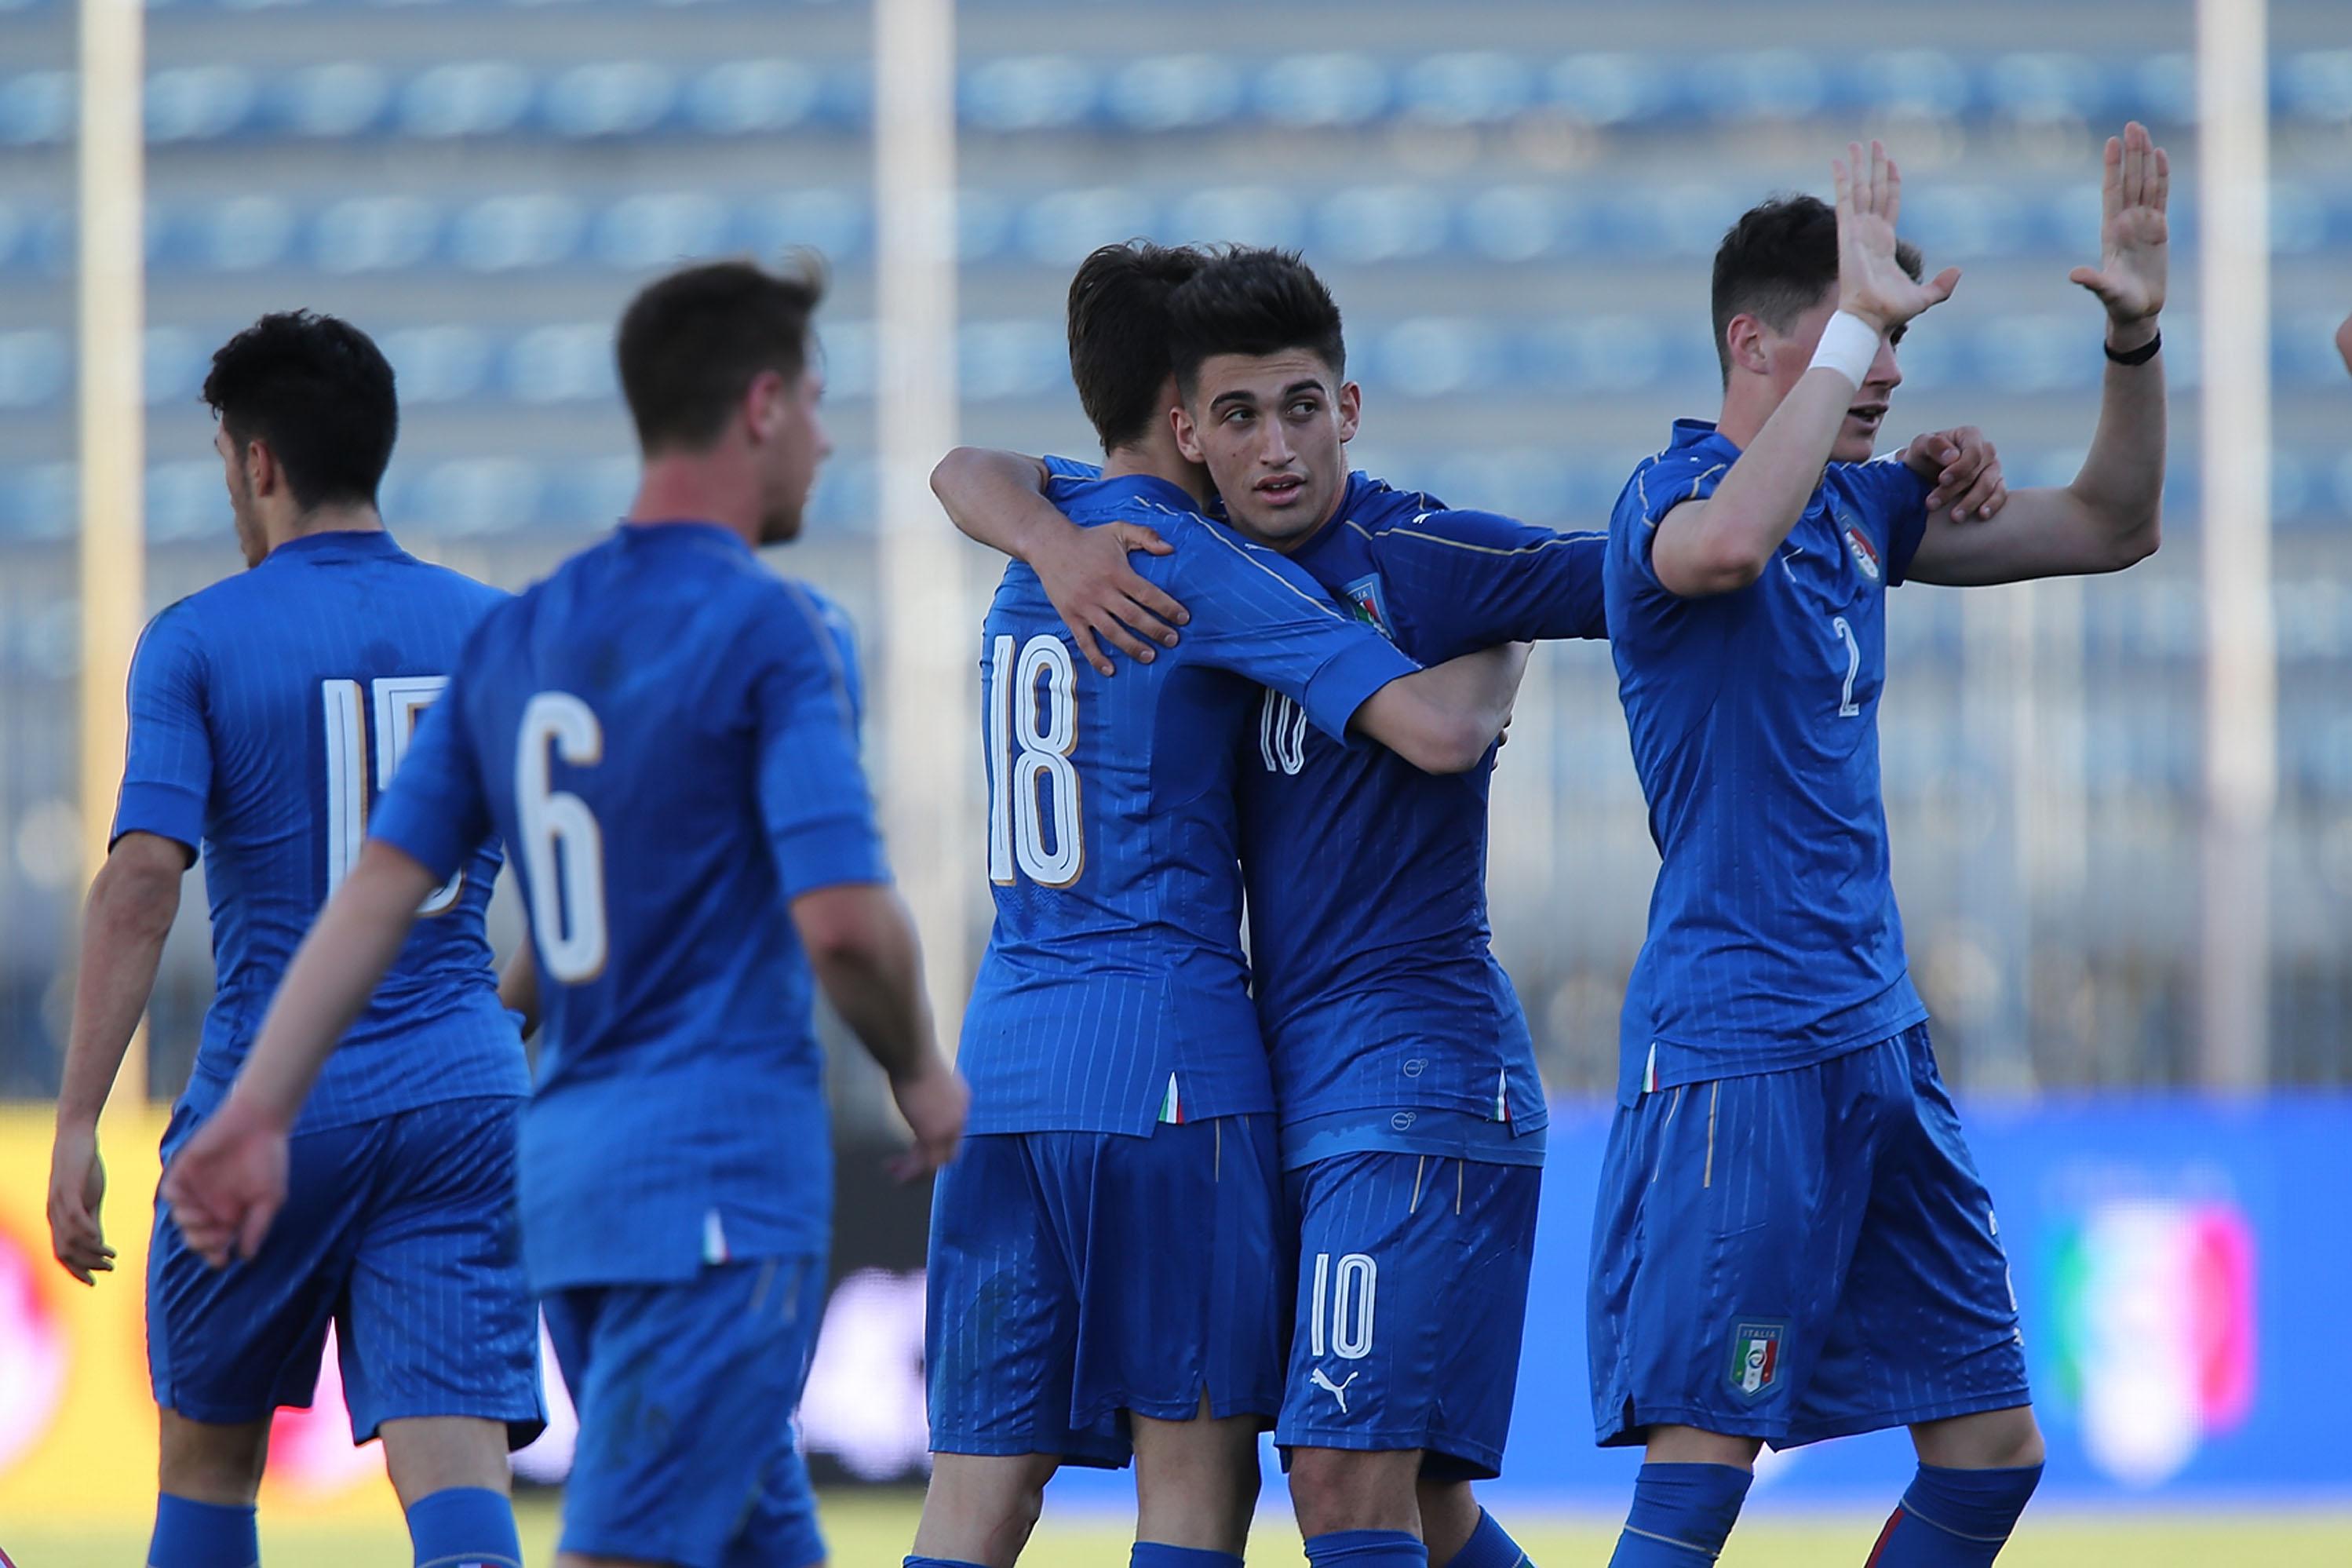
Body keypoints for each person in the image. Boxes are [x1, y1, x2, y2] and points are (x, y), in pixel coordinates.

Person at [160, 258, 969, 1568]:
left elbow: (375, 894)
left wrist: (257, 1112)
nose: (825, 438)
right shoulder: (776, 629)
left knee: (766, 1537)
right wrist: (924, 1071)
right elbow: (841, 919)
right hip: (713, 1181)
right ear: (760, 406)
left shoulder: (527, 635)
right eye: (816, 404)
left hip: (578, 1181)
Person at [936, 246, 1710, 1568]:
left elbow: (963, 466)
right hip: (1179, 1076)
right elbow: (1434, 726)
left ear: (1345, 407)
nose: (1269, 444)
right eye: (1234, 413)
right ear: (1182, 421)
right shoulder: (1194, 561)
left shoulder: (1053, 536)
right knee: (1274, 1489)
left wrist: (1491, 628)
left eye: (1296, 407)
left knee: (1028, 1495)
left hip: (1052, 1063)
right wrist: (1472, 691)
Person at [1592, 129, 2168, 1568]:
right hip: (1738, 1045)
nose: (1893, 370)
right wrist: (1857, 331)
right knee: (1700, 1469)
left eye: (1894, 335)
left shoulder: (1861, 511)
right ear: (1753, 341)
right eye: (1864, 331)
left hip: (1876, 1038)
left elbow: (2111, 526)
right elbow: (1726, 543)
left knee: (1989, 1453)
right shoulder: (1663, 501)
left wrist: (2134, 340)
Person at [44, 311, 540, 1568]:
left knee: (210, 1461)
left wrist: (76, 1125)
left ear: (255, 461)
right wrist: (505, 1012)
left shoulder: (200, 638)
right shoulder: (498, 630)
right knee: (456, 1459)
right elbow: (611, 868)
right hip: (459, 1095)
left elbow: (141, 883)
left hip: (270, 1101)